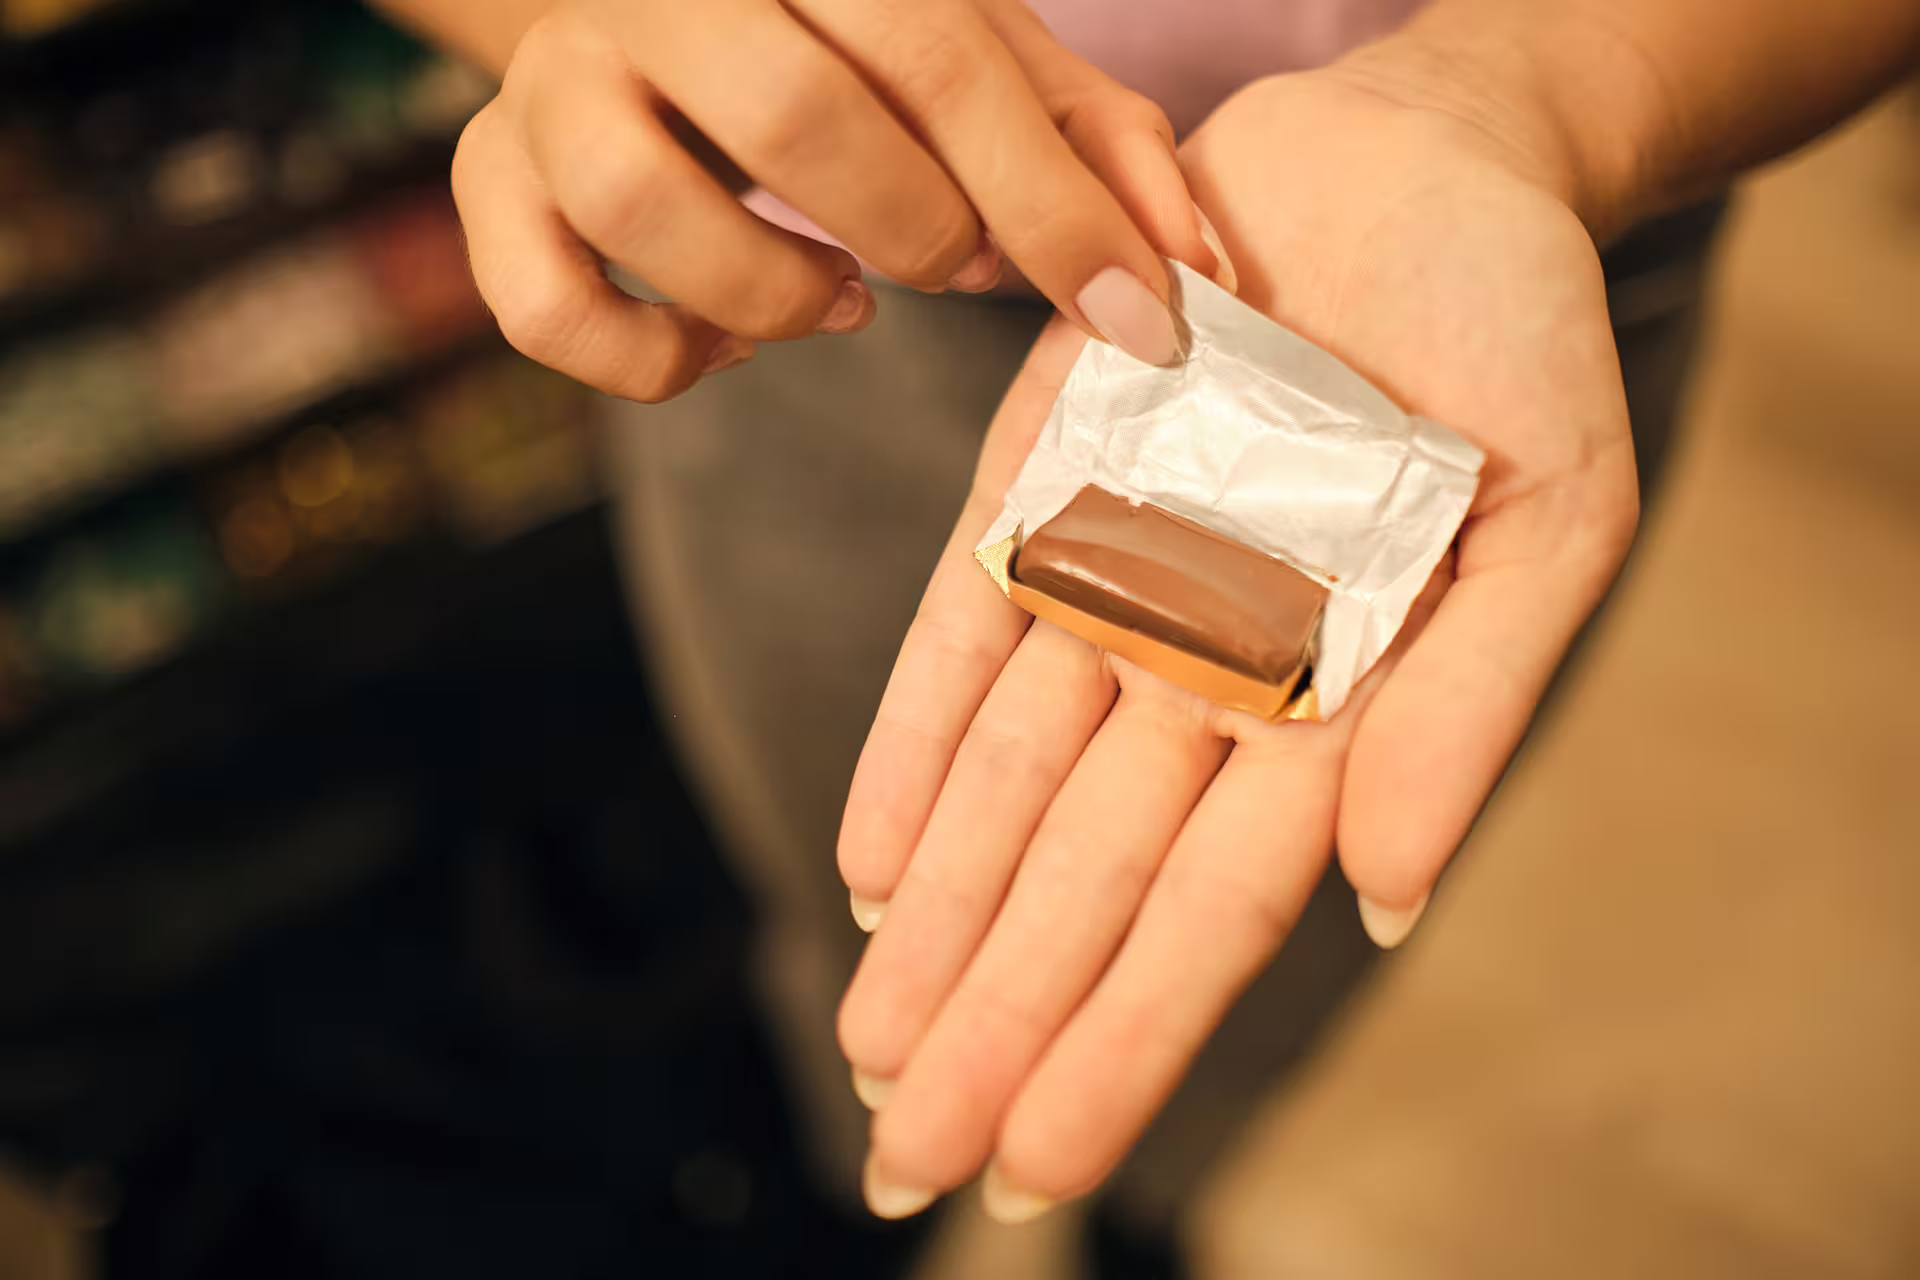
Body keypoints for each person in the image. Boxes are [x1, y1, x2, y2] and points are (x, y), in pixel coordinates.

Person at [374, 0, 1920, 1259]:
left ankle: (1147, 1201)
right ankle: (849, 1171)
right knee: (855, 884)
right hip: (799, 275)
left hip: (1500, 240)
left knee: (1234, 970)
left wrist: (1535, 98)